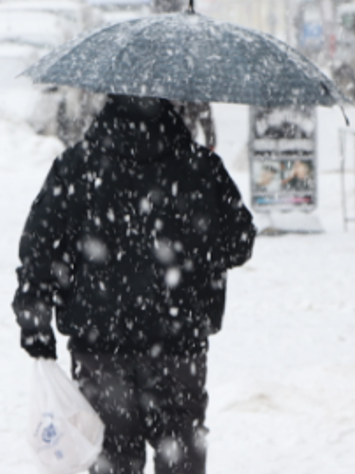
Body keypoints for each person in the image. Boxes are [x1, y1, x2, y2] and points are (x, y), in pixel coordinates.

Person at [14, 94, 256, 474]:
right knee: (180, 454)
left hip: (100, 344)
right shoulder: (199, 166)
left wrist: (35, 321)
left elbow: (42, 250)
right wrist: (190, 248)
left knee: (113, 456)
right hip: (178, 343)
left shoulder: (78, 166)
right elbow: (239, 243)